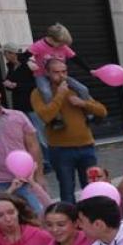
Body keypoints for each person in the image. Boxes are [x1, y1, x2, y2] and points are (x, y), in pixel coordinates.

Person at [31, 58, 107, 201]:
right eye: (56, 72)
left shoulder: (77, 89)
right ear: (47, 73)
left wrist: (84, 104)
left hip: (86, 147)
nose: (61, 75)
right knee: (67, 190)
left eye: (64, 71)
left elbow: (102, 111)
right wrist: (60, 94)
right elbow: (46, 116)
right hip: (61, 150)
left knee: (92, 187)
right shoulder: (38, 93)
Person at [0, 81, 48, 212]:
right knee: (2, 222)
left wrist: (39, 176)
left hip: (25, 180)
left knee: (39, 215)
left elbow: (33, 146)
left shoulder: (18, 116)